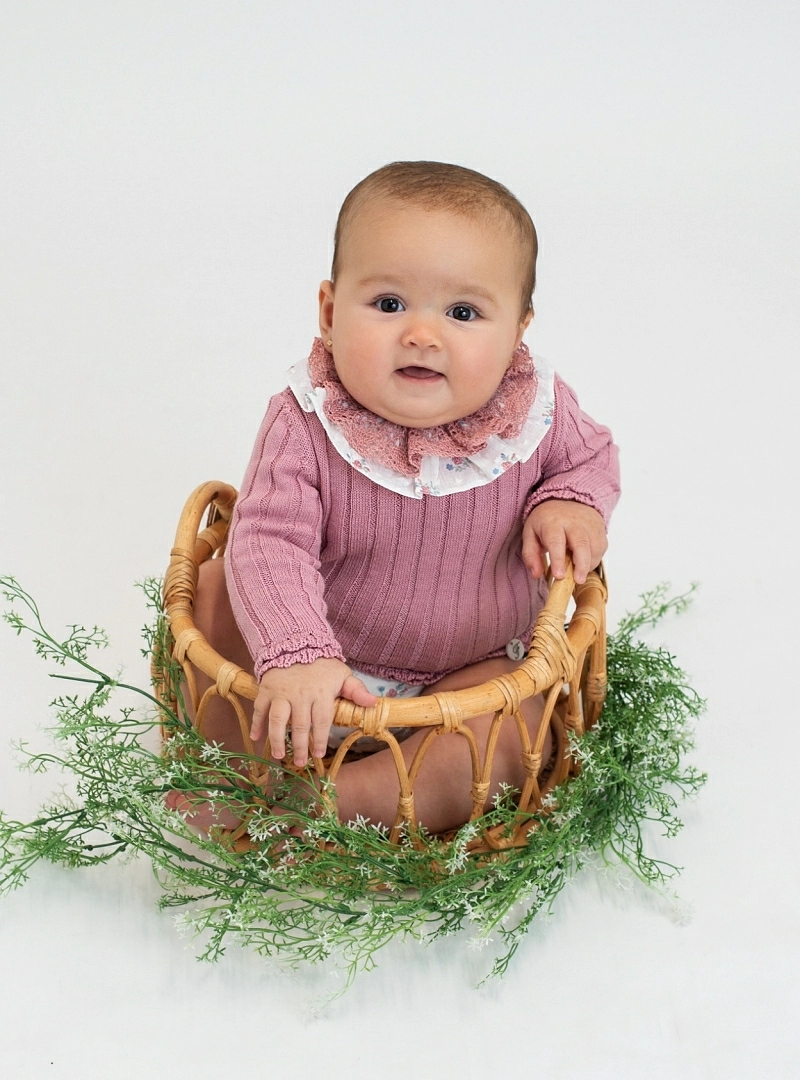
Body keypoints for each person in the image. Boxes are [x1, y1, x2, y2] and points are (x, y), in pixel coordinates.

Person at [183, 161, 620, 835]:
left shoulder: (537, 411)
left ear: (517, 334)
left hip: (469, 673)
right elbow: (269, 540)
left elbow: (591, 459)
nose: (422, 334)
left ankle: (342, 803)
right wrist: (297, 650)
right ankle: (237, 772)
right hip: (314, 664)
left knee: (510, 734)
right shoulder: (305, 420)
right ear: (329, 312)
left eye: (464, 312)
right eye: (388, 305)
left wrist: (569, 501)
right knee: (212, 593)